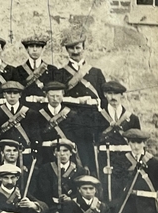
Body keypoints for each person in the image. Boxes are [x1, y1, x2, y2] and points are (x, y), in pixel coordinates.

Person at [57, 29, 106, 175]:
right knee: (74, 152)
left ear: (83, 48)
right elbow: (57, 97)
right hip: (71, 118)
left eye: (78, 47)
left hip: (91, 118)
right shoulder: (60, 73)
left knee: (93, 152)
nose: (75, 51)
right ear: (67, 50)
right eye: (71, 48)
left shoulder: (96, 72)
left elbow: (103, 99)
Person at [97, 80, 141, 202]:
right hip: (105, 156)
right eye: (109, 93)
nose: (113, 97)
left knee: (125, 188)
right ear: (105, 95)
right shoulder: (98, 116)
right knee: (106, 188)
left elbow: (138, 141)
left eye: (116, 94)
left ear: (122, 96)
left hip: (126, 158)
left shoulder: (132, 118)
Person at [0, 81, 41, 166]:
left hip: (25, 156)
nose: (12, 96)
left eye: (15, 93)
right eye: (9, 93)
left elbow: (35, 136)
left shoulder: (30, 113)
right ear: (4, 95)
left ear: (20, 95)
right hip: (3, 157)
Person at [35, 139, 87, 213]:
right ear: (54, 153)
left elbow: (82, 192)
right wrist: (53, 210)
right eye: (58, 151)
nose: (62, 154)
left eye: (65, 150)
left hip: (73, 206)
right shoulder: (46, 169)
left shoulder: (80, 171)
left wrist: (71, 199)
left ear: (71, 153)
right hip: (52, 206)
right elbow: (44, 193)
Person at [37, 81, 83, 163]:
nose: (55, 99)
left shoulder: (72, 114)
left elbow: (77, 137)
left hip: (66, 154)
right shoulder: (38, 114)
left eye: (58, 96)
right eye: (52, 96)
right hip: (45, 154)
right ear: (46, 95)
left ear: (63, 95)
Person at [16, 36, 58, 109]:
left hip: (45, 107)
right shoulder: (18, 70)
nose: (35, 50)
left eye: (38, 47)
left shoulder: (52, 69)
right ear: (26, 49)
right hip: (25, 107)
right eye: (31, 46)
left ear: (42, 49)